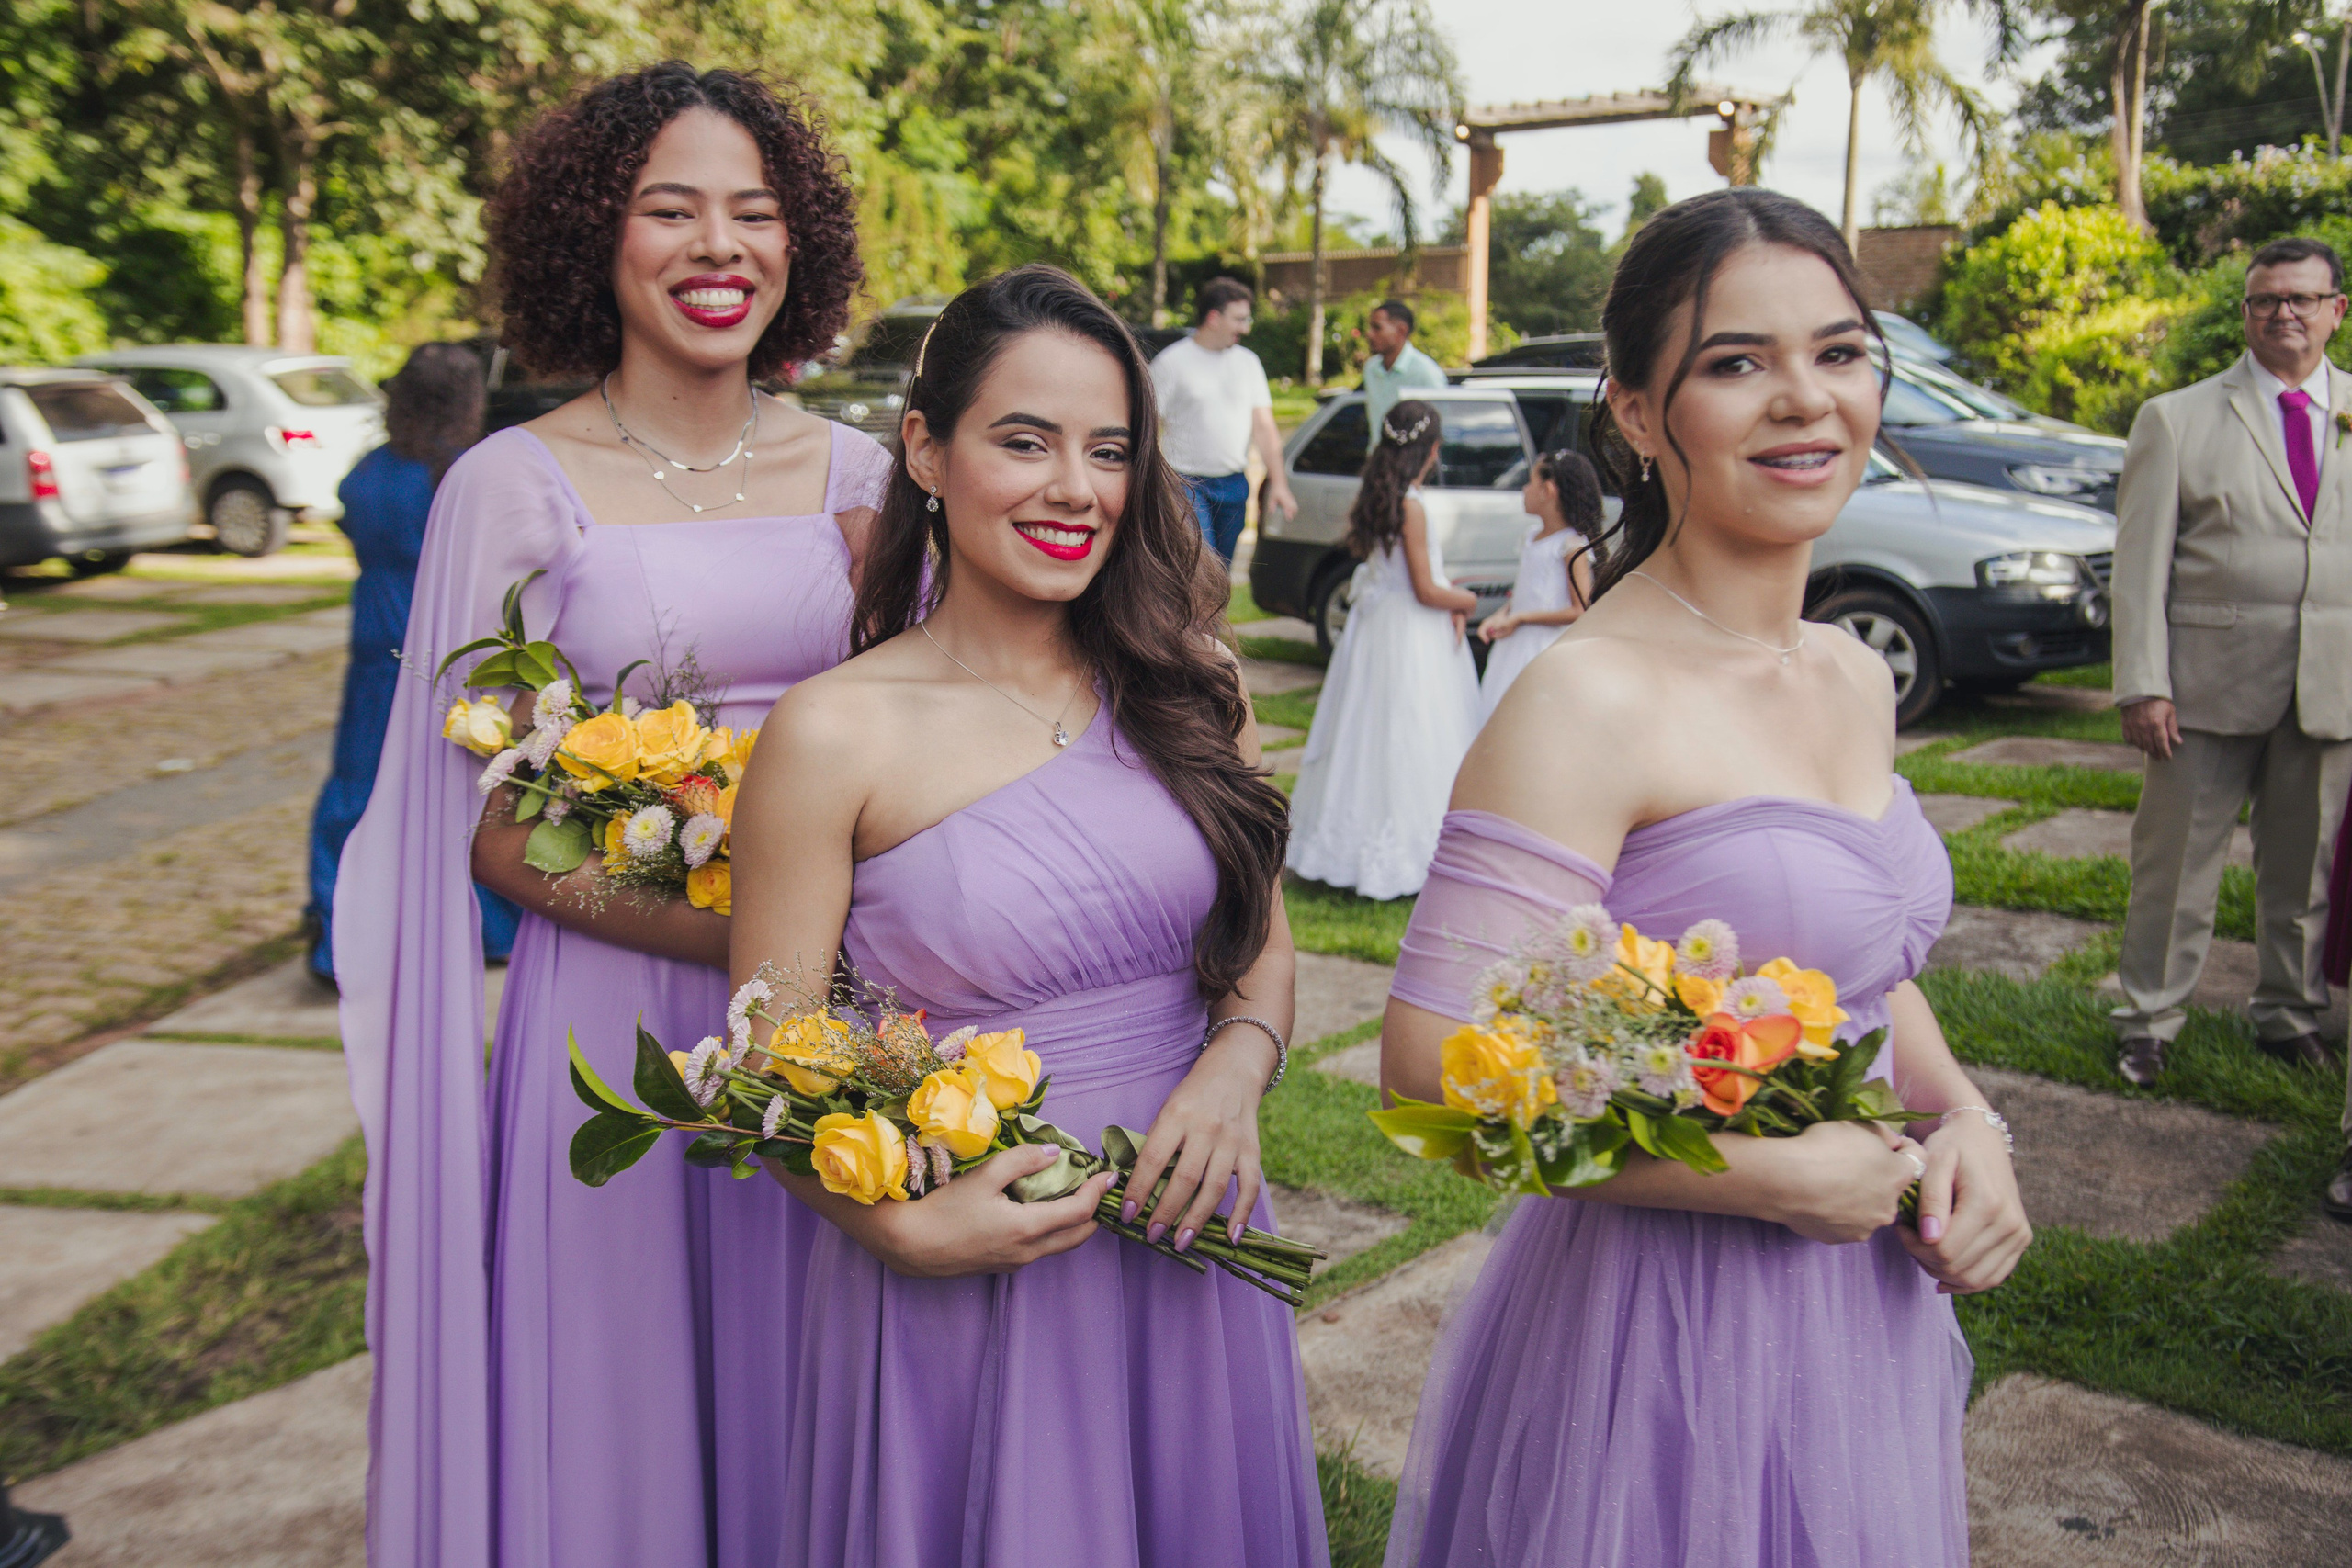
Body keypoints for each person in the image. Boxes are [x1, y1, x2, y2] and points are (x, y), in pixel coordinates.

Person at [1377, 189, 2030, 1567]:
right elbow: (1431, 1078)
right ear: (1634, 411)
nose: (1805, 400)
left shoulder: (1852, 667)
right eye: (1737, 363)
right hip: (1662, 1324)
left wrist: (1966, 1113)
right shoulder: (1591, 700)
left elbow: (1860, 969)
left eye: (1840, 351)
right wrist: (1776, 1178)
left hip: (1862, 1306)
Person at [332, 63, 884, 1568]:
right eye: (672, 210)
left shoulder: (869, 479)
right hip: (621, 1024)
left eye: (755, 214)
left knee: (830, 1384)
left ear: (800, 244)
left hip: (839, 1018)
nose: (721, 249)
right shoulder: (510, 489)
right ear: (597, 235)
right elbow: (492, 835)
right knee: (629, 1428)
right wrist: (749, 932)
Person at [727, 264, 1327, 1566]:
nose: (1076, 488)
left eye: (1109, 450)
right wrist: (899, 1224)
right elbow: (767, 1058)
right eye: (1025, 440)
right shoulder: (833, 731)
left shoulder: (1188, 681)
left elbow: (1260, 944)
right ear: (927, 451)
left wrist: (1236, 1066)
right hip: (964, 1268)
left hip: (1191, 1234)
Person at [2109, 234, 2352, 1099]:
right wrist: (2143, 680)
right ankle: (2148, 1020)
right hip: (2203, 687)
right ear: (2246, 313)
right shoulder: (2177, 418)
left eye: (2302, 299)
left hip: (2331, 687)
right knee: (2173, 867)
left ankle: (2290, 1015)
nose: (2284, 313)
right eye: (2266, 301)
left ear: (2336, 311)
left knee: (2308, 869)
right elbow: (2140, 564)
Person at [305, 343, 519, 987]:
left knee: (358, 790)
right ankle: (484, 924)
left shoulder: (368, 470)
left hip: (376, 642)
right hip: (447, 649)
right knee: (460, 792)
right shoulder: (460, 472)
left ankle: (340, 935)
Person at [1286, 400, 1481, 899]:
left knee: (1367, 731)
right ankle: (1400, 853)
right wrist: (1468, 598)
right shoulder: (1412, 507)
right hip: (1408, 632)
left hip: (1376, 630)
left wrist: (1445, 585)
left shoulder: (1382, 497)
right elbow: (1426, 591)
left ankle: (1346, 843)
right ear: (1432, 450)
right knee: (1408, 733)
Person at [1149, 276, 1298, 564]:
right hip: (1185, 485)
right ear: (1214, 317)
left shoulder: (1248, 363)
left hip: (1234, 485)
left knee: (1220, 571)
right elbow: (1148, 424)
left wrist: (1279, 483)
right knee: (1198, 565)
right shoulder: (1172, 362)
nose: (1246, 328)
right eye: (1240, 319)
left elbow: (1264, 427)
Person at [1476, 446, 1600, 719]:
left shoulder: (1570, 545)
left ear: (1548, 490)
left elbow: (1579, 610)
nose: (1524, 490)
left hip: (1542, 647)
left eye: (1530, 482)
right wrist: (1501, 615)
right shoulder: (1532, 537)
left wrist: (1522, 619)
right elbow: (1525, 592)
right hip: (1514, 644)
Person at [1359, 298, 1448, 446]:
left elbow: (1440, 429)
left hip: (1412, 466)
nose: (1369, 334)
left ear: (1401, 331)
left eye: (1377, 328)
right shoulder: (1371, 369)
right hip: (1377, 463)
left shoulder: (1426, 373)